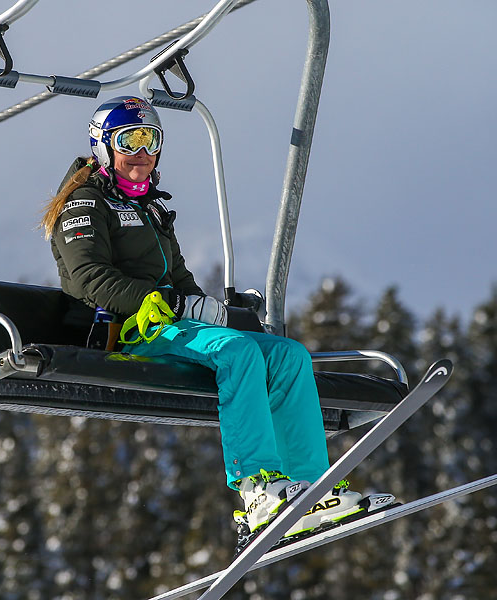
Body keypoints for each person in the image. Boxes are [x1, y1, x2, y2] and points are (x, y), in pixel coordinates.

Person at [41, 95, 389, 545]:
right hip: (123, 331)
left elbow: (180, 280)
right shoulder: (85, 204)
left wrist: (209, 309)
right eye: (129, 141)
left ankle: (312, 489)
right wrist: (151, 301)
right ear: (104, 147)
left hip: (169, 326)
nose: (142, 153)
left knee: (287, 356)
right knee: (238, 352)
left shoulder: (153, 208)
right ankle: (259, 488)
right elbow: (87, 276)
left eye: (151, 140)